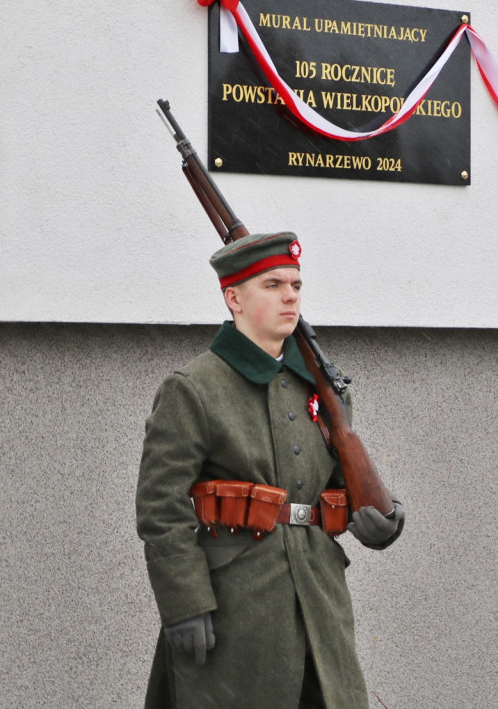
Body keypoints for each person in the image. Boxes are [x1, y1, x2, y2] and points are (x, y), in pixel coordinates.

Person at [136, 232, 403, 708]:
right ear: (233, 298)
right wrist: (184, 602)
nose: (291, 296)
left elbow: (345, 487)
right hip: (234, 607)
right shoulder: (193, 388)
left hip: (319, 604)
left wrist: (385, 518)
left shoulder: (322, 388)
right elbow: (161, 508)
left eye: (297, 284)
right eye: (273, 284)